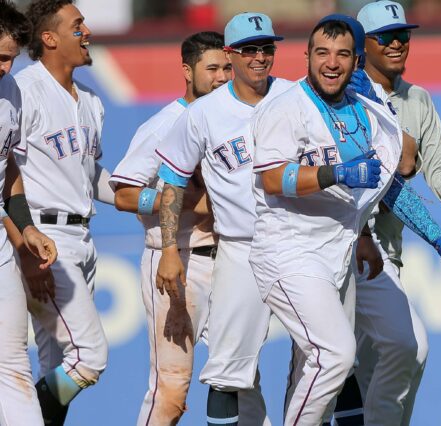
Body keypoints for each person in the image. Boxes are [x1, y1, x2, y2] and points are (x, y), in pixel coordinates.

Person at [323, 3, 441, 425]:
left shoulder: (417, 100)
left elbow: (439, 171)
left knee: (395, 359)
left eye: (403, 36)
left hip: (383, 255)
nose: (396, 44)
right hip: (330, 248)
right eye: (385, 37)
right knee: (334, 373)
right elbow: (390, 171)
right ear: (361, 45)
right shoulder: (341, 94)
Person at [247, 17, 408, 425]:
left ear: (356, 61)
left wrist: (436, 241)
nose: (331, 63)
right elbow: (272, 177)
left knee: (311, 366)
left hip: (340, 251)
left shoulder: (365, 110)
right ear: (307, 56)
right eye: (322, 52)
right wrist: (335, 173)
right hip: (290, 250)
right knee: (335, 353)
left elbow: (384, 179)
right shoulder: (285, 107)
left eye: (341, 54)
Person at [154, 12, 293, 426]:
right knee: (227, 369)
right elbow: (173, 182)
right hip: (241, 248)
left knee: (331, 359)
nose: (260, 56)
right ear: (231, 55)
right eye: (249, 49)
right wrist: (167, 249)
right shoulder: (203, 113)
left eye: (266, 47)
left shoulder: (298, 96)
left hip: (300, 242)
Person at [110, 31, 231, 425]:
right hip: (179, 261)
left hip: (230, 262)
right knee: (172, 389)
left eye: (227, 67)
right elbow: (125, 194)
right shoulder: (166, 123)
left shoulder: (237, 119)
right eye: (211, 68)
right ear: (186, 70)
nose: (222, 77)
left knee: (240, 379)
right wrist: (178, 203)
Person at [15, 0, 114, 423]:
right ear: (49, 38)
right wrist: (23, 245)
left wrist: (149, 198)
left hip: (82, 238)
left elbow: (91, 176)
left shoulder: (91, 100)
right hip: (42, 239)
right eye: (77, 26)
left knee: (56, 364)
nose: (87, 31)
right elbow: (6, 174)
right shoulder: (23, 90)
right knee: (89, 358)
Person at [0, 2, 58, 424]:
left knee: (12, 362)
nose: (6, 67)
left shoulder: (11, 93)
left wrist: (25, 227)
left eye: (11, 58)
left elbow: (8, 167)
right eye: (0, 56)